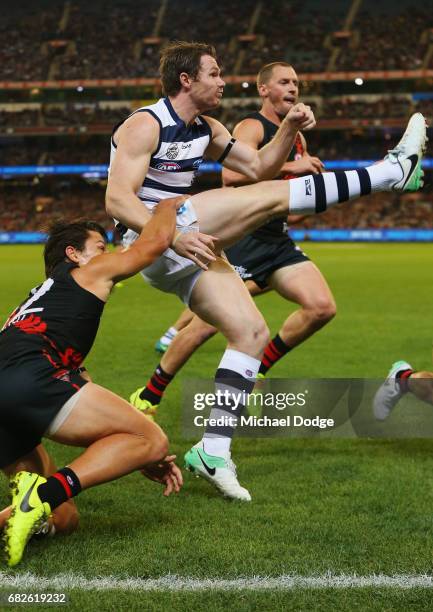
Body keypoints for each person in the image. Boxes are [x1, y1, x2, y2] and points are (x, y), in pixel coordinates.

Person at [106, 40, 426, 502]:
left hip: (187, 245)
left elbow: (257, 166)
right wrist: (171, 236)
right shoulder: (144, 123)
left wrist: (288, 128)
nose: (222, 81)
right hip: (156, 239)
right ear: (186, 80)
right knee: (273, 197)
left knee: (251, 333)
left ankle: (213, 450)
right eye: (214, 73)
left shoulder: (209, 128)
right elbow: (117, 200)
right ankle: (389, 173)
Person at [132, 61, 336, 416]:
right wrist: (294, 169)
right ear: (264, 89)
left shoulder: (297, 135)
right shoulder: (251, 126)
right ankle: (150, 393)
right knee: (204, 327)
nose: (293, 88)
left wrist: (306, 202)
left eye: (297, 82)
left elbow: (278, 192)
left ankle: (258, 369)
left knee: (321, 307)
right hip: (244, 239)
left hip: (276, 240)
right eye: (284, 82)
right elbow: (231, 177)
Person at [0, 196, 184, 567]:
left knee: (64, 518)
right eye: (100, 248)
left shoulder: (38, 301)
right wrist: (167, 205)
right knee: (151, 438)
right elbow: (154, 244)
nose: (109, 254)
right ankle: (38, 496)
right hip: (30, 378)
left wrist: (129, 452)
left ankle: (32, 503)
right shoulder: (86, 275)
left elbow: (80, 382)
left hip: (14, 388)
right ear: (75, 255)